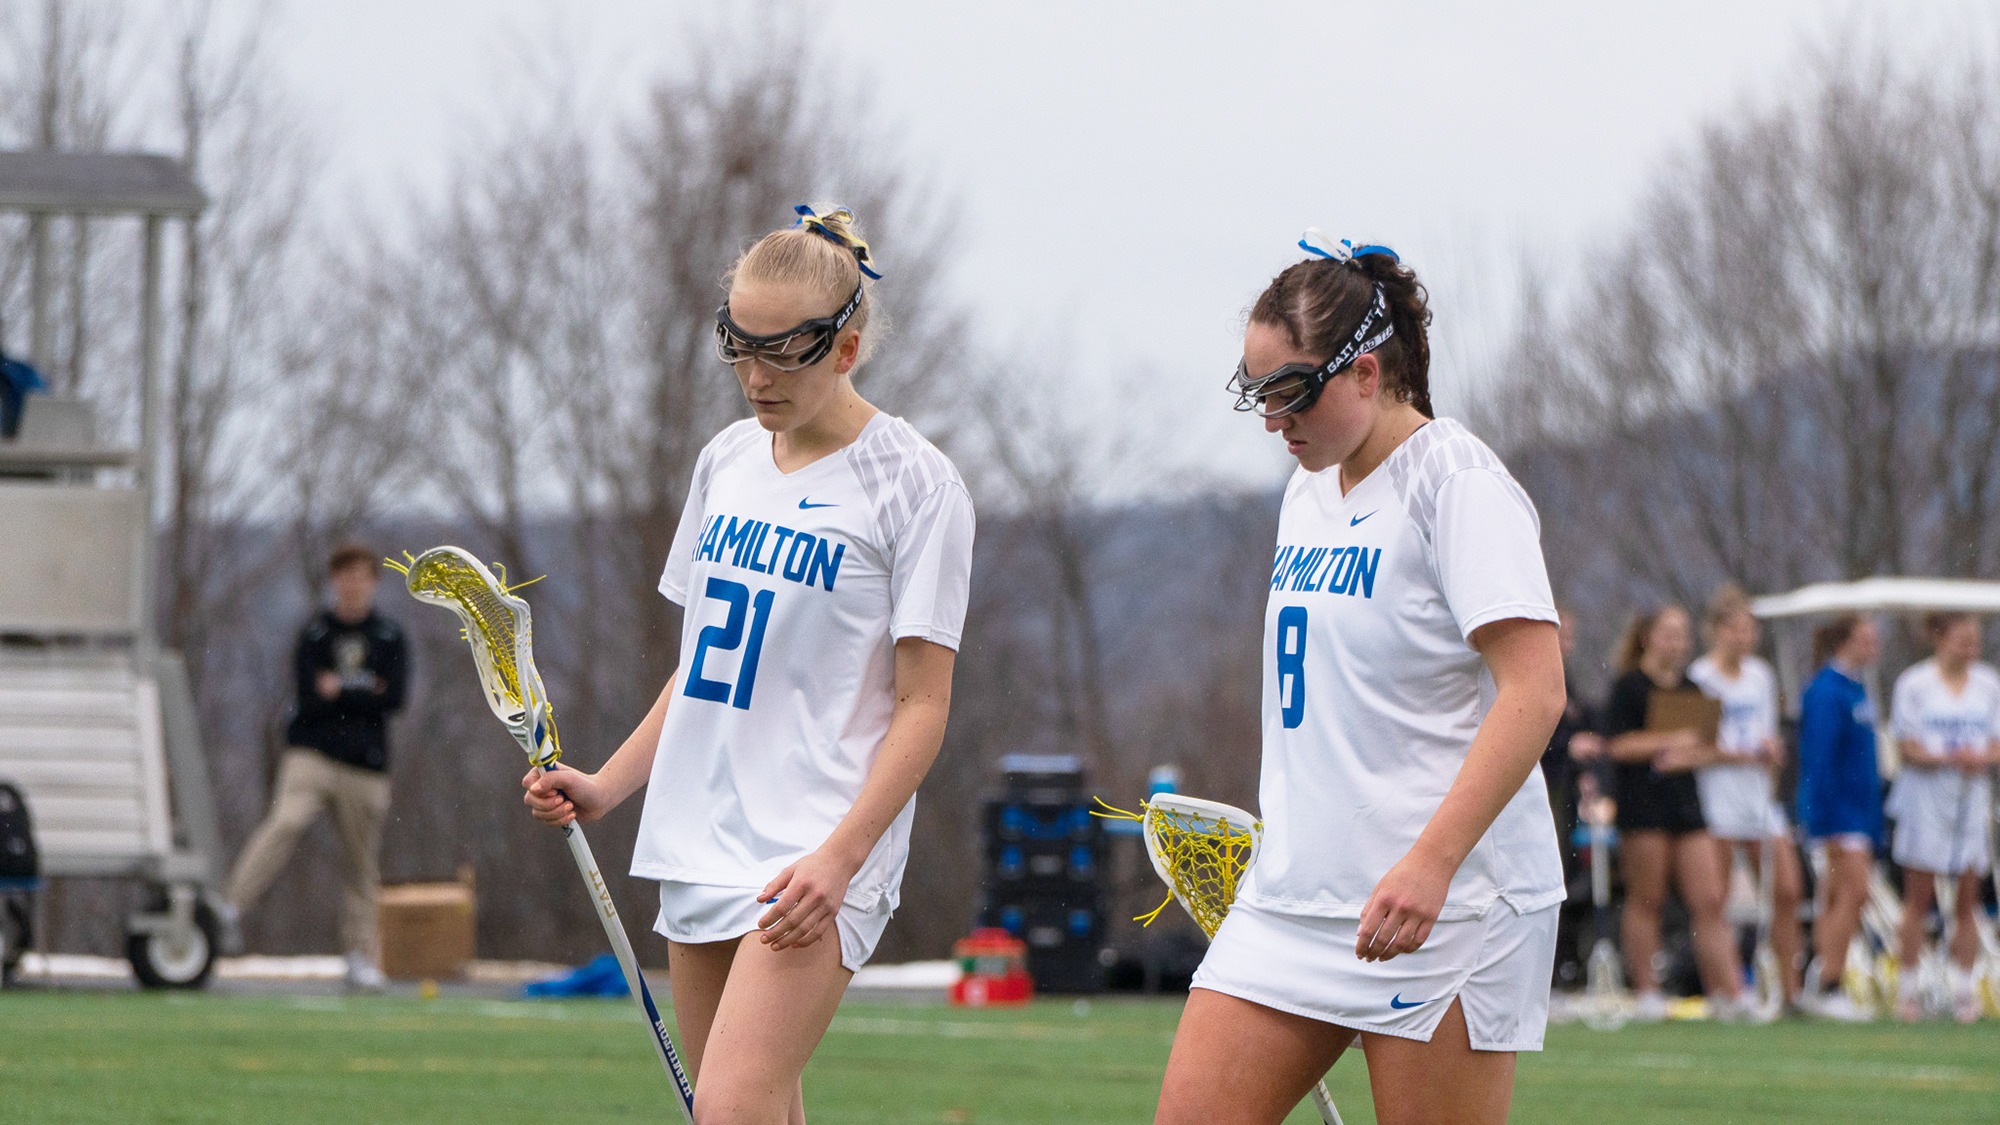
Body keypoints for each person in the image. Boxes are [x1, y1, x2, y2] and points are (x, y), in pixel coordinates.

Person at [522, 205, 973, 1124]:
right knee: (749, 1115)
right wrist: (609, 784)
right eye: (739, 348)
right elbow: (703, 664)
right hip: (702, 833)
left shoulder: (916, 485)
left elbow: (924, 703)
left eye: (782, 354)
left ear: (846, 349)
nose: (755, 377)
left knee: (729, 1109)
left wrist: (841, 857)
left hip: (817, 843)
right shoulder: (726, 460)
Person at [1155, 232, 1567, 1125]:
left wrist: (1431, 862)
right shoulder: (1307, 489)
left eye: (1292, 392)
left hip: (1450, 905)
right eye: (1259, 395)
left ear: (1368, 374)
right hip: (1296, 898)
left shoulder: (1455, 483)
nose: (1275, 420)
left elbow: (1535, 693)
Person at [225, 543, 409, 990]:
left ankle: (360, 956)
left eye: (361, 576)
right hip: (311, 754)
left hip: (365, 764)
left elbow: (394, 698)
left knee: (361, 864)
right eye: (345, 576)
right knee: (285, 823)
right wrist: (363, 691)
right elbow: (310, 693)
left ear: (373, 582)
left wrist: (342, 691)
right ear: (334, 581)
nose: (353, 585)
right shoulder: (315, 634)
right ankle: (227, 909)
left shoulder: (389, 636)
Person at [1601, 605, 1748, 1021]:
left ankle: (1729, 993)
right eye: (1668, 633)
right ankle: (1647, 991)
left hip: (1686, 805)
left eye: (1682, 634)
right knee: (1647, 897)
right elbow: (1619, 746)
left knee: (1710, 898)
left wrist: (1693, 753)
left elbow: (1702, 745)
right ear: (1648, 637)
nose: (1677, 643)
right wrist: (1668, 742)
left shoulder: (1692, 688)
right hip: (1643, 806)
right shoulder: (1628, 688)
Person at [1686, 585, 1805, 1011]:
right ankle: (1727, 989)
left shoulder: (1761, 676)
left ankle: (1788, 990)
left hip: (1758, 799)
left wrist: (1771, 752)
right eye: (1736, 629)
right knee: (1714, 898)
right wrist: (1736, 752)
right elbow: (1695, 745)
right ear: (1717, 631)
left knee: (1787, 890)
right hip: (1717, 796)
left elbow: (1769, 735)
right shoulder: (1701, 678)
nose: (1744, 638)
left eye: (1749, 630)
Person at [1886, 612, 1999, 1023]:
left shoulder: (1988, 685)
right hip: (1926, 799)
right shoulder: (1915, 684)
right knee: (1919, 899)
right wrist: (1946, 757)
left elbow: (1995, 745)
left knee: (1967, 899)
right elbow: (1907, 746)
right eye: (1961, 641)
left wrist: (1980, 758)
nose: (1969, 650)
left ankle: (1964, 989)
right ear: (1940, 639)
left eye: (1974, 641)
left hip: (1970, 799)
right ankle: (1908, 989)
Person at [1794, 612, 1884, 1022]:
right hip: (1837, 811)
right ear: (1845, 642)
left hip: (1859, 810)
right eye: (1866, 639)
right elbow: (1819, 758)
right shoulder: (1827, 691)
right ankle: (1830, 981)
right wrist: (1821, 814)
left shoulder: (1857, 689)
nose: (1873, 647)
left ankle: (1824, 978)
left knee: (1839, 895)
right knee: (1854, 892)